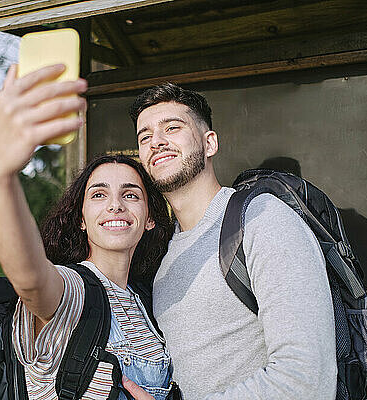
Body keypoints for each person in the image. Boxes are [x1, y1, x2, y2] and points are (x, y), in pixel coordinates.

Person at [122, 83, 337, 399]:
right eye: (145, 137)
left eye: (172, 127)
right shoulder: (163, 252)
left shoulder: (261, 219)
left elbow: (306, 379)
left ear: (210, 143)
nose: (157, 141)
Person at [0, 64, 175, 400]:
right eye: (98, 194)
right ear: (81, 218)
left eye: (130, 194)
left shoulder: (147, 301)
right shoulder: (73, 290)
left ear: (150, 217)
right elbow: (30, 279)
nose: (115, 205)